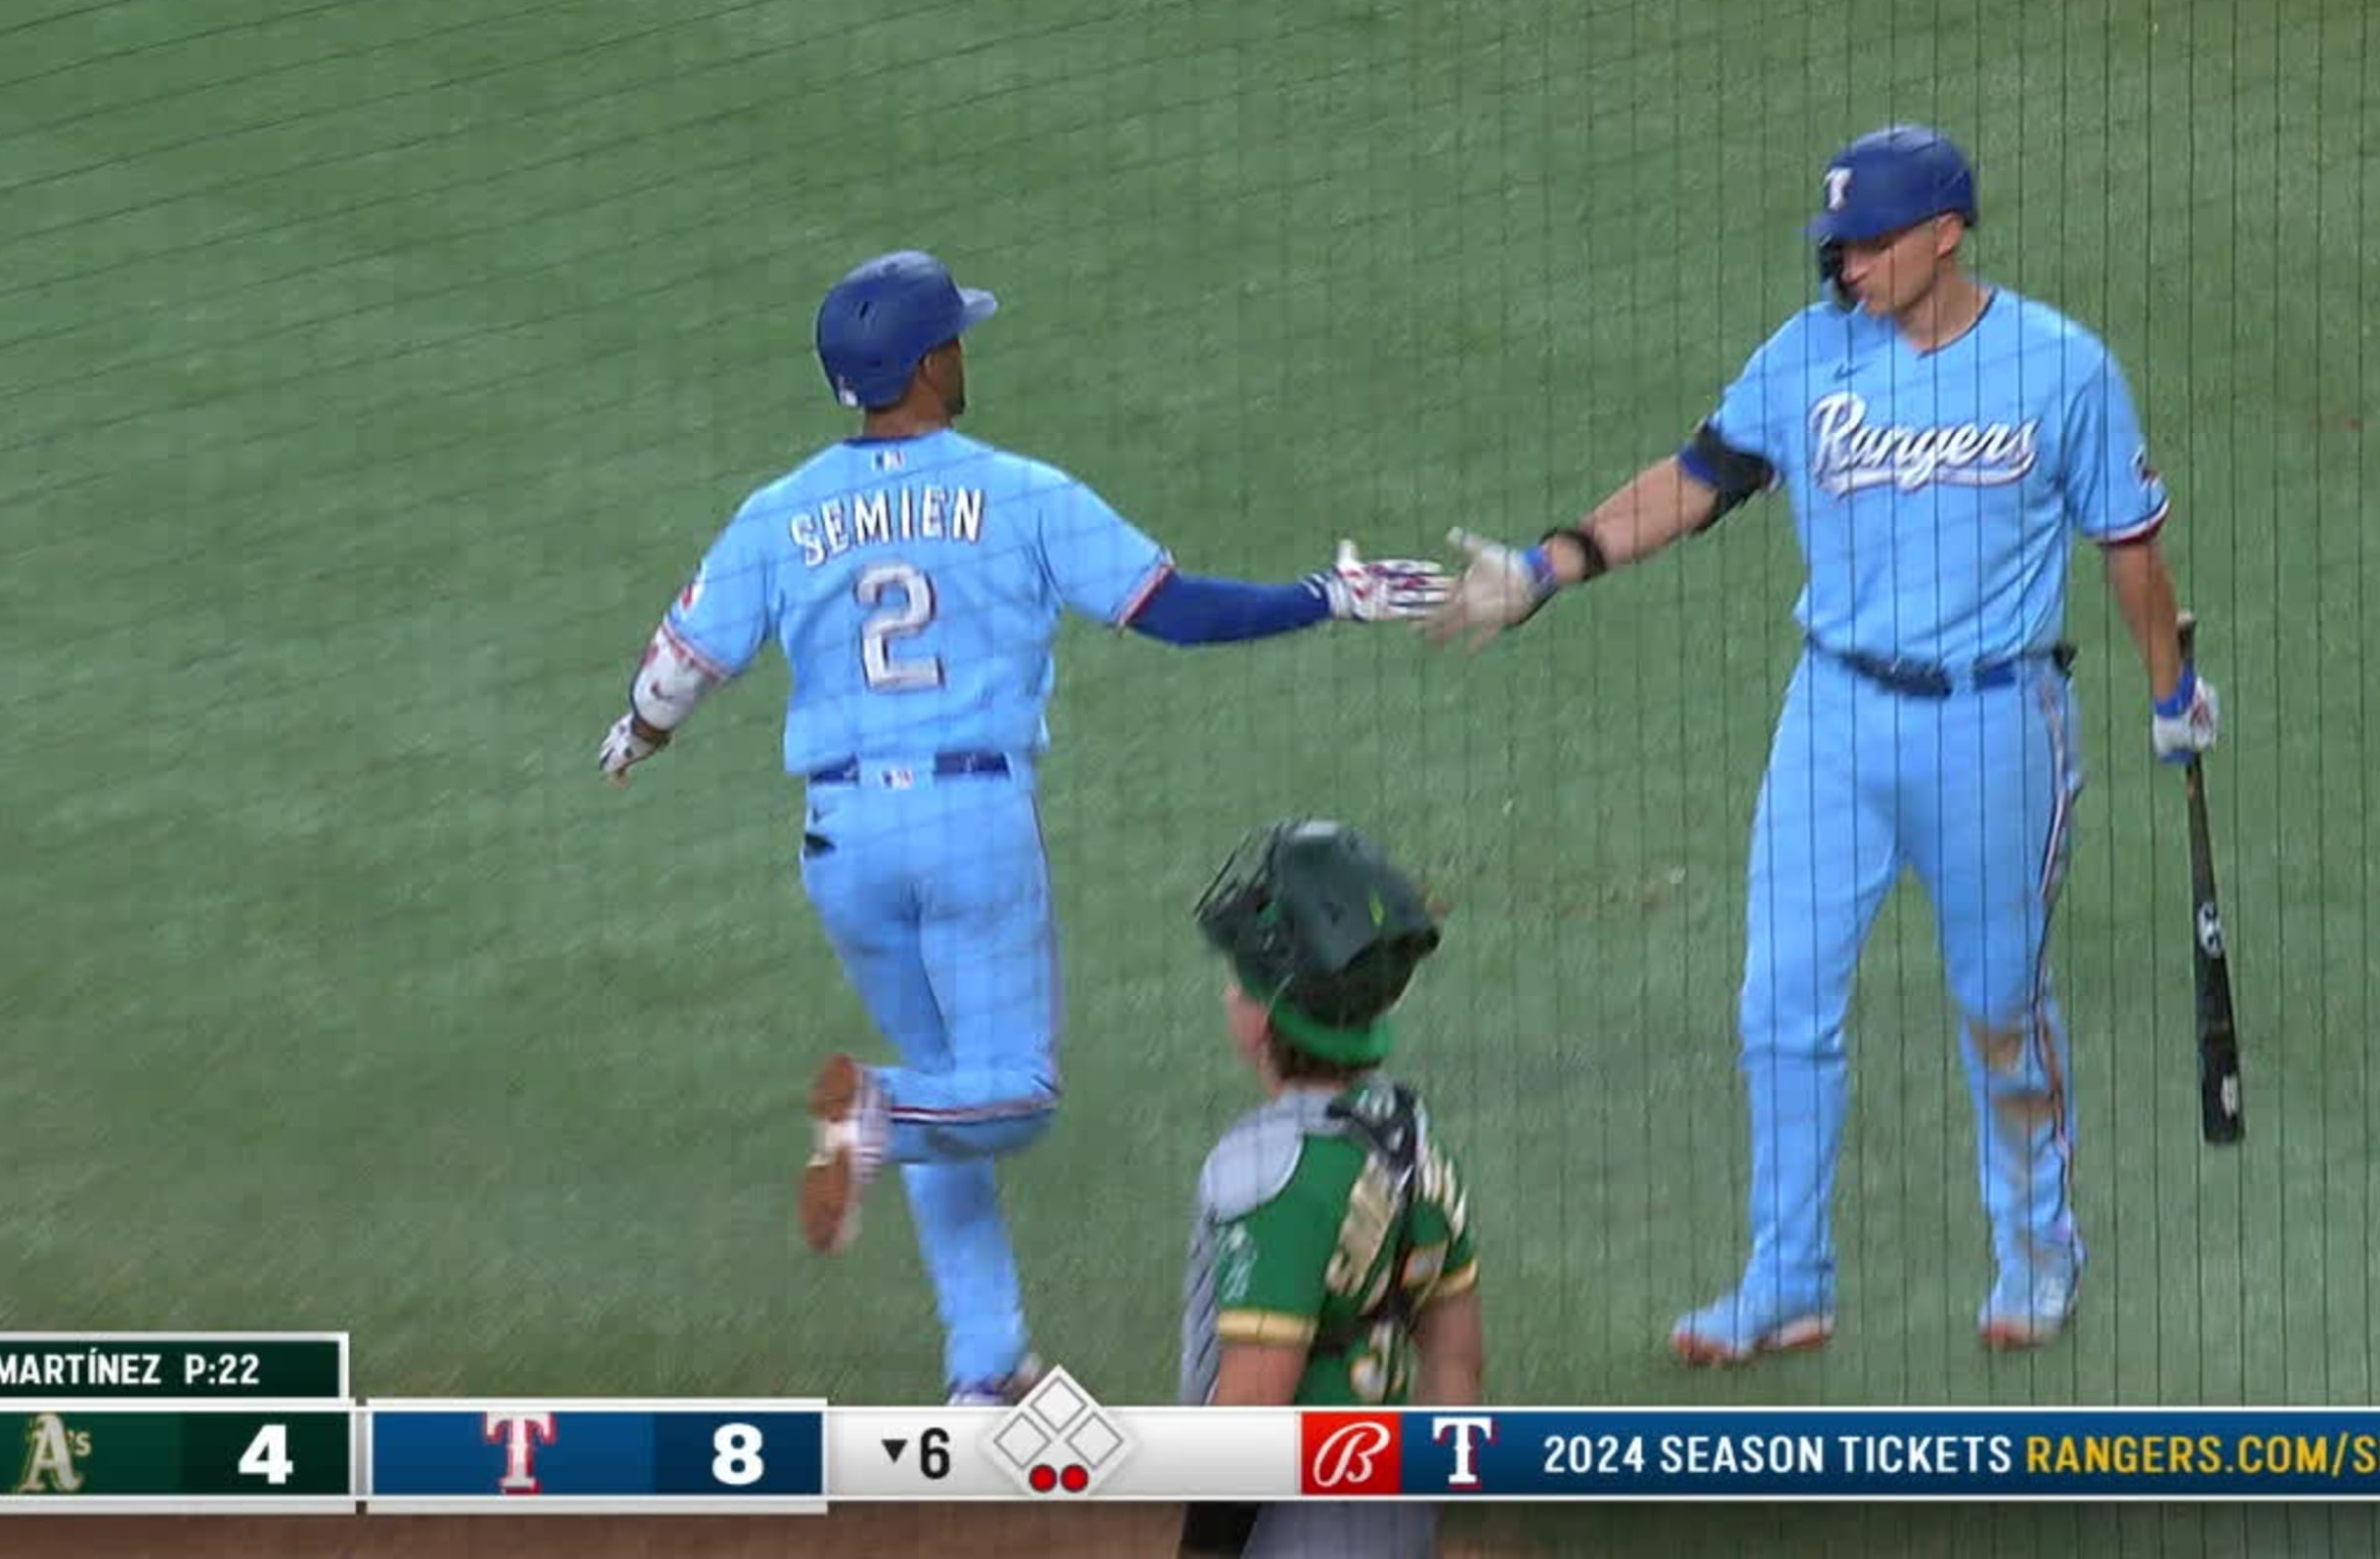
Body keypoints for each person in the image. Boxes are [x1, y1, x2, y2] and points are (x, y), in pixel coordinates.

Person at [1419, 125, 2222, 1358]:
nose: (1846, 268)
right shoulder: (1807, 358)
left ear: (1946, 233)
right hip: (1833, 722)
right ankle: (1786, 1277)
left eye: (1870, 244)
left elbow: (2131, 548)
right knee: (1779, 1004)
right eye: (1837, 245)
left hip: (1997, 727)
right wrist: (1547, 567)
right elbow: (1697, 477)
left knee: (2002, 1005)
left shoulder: (2061, 367)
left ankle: (2039, 1250)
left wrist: (2172, 693)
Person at [594, 250, 1450, 1403]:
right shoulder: (1018, 491)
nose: (964, 353)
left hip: (842, 841)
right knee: (1006, 1097)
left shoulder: (776, 513)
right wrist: (1328, 595)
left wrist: (637, 739)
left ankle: (985, 1361)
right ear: (927, 364)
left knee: (950, 1081)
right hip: (970, 827)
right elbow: (1177, 613)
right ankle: (878, 1115)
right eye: (956, 338)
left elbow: (677, 668)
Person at [1176, 819, 1481, 1559]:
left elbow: (1252, 1403)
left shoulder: (1265, 1169)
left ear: (1261, 1021)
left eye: (1238, 982)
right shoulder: (1412, 1131)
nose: (1227, 993)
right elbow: (1457, 1358)